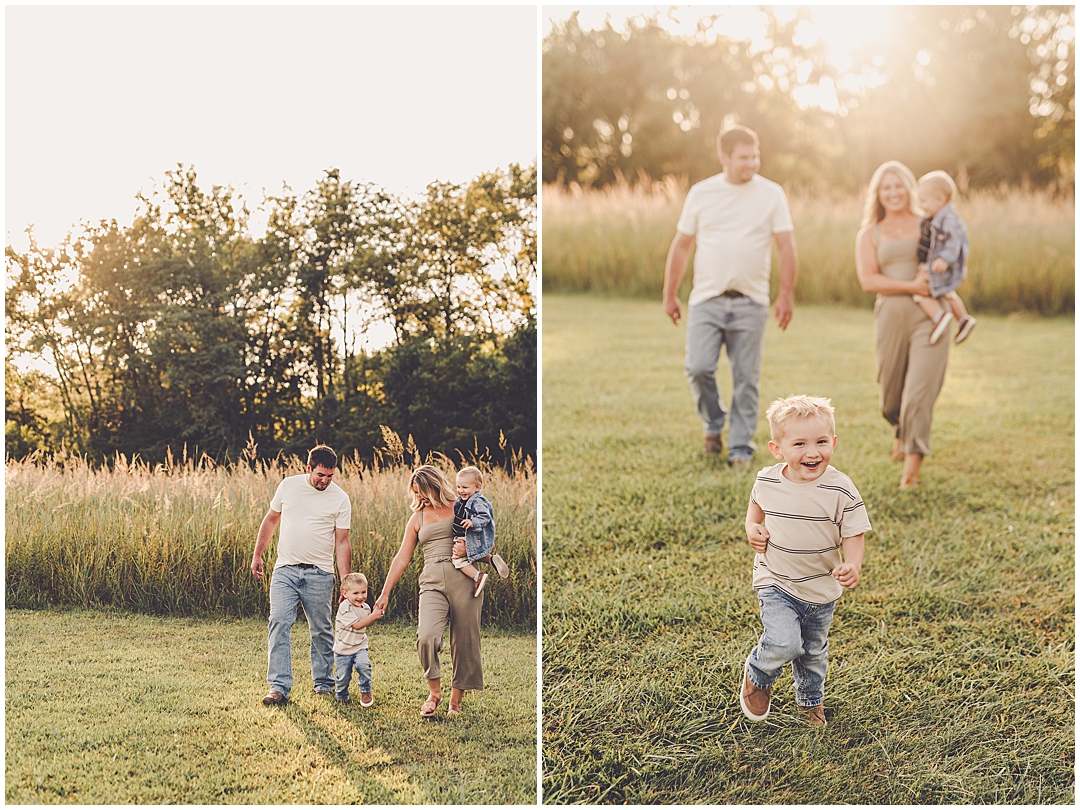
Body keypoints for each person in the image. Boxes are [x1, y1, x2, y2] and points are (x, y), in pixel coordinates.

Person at [662, 124, 799, 467]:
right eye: (743, 158)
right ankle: (714, 423)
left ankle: (739, 447)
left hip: (751, 301)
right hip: (706, 299)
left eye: (755, 156)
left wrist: (785, 294)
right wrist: (670, 293)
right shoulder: (702, 193)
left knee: (746, 379)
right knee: (698, 367)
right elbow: (681, 246)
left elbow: (786, 246)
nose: (751, 163)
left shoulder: (772, 194)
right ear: (724, 157)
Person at [740, 395, 871, 726]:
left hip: (820, 590)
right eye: (800, 443)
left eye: (821, 442)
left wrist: (853, 565)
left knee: (813, 653)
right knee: (784, 642)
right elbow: (754, 513)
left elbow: (854, 533)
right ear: (777, 449)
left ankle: (810, 702)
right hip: (776, 580)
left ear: (834, 442)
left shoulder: (840, 489)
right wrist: (753, 529)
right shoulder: (768, 479)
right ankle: (758, 675)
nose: (813, 452)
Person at [855, 160, 949, 489]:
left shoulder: (929, 222)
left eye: (898, 186)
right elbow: (868, 281)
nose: (893, 193)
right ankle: (901, 429)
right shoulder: (869, 233)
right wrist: (912, 287)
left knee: (918, 396)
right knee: (891, 400)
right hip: (890, 317)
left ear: (909, 189)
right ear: (877, 194)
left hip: (931, 317)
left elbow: (950, 257)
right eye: (886, 187)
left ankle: (910, 473)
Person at [375, 465, 484, 717]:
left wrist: (471, 550)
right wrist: (385, 592)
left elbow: (486, 537)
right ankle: (434, 692)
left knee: (465, 641)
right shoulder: (417, 518)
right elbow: (402, 557)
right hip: (432, 582)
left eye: (423, 492)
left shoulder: (462, 506)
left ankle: (455, 702)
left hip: (464, 579)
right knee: (426, 636)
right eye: (416, 493)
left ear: (436, 486)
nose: (421, 498)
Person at [251, 445, 352, 706]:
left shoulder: (340, 498)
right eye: (321, 475)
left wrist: (346, 580)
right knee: (279, 622)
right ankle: (279, 687)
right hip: (285, 569)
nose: (325, 481)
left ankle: (323, 684)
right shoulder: (288, 486)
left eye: (330, 476)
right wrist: (258, 554)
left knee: (321, 629)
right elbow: (271, 519)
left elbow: (342, 541)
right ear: (308, 468)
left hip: (320, 573)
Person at [912, 170, 976, 345]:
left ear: (940, 200)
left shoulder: (948, 219)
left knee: (919, 292)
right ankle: (963, 319)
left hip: (939, 264)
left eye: (924, 201)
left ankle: (939, 317)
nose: (921, 205)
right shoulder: (935, 217)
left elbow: (955, 243)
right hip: (936, 263)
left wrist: (945, 259)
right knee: (947, 292)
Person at [450, 465, 509, 596]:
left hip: (467, 536)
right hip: (464, 535)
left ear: (478, 487)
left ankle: (478, 577)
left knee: (458, 560)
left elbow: (485, 517)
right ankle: (491, 560)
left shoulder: (478, 502)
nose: (460, 490)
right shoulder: (462, 500)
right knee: (473, 553)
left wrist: (472, 522)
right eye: (458, 487)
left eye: (465, 487)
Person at [333, 572, 385, 706]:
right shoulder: (344, 607)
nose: (361, 596)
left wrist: (375, 615)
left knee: (364, 666)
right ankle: (342, 695)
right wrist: (374, 616)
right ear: (345, 593)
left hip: (360, 646)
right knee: (343, 677)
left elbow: (367, 622)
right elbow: (357, 625)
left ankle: (366, 691)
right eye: (356, 593)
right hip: (343, 649)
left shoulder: (366, 607)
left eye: (363, 592)